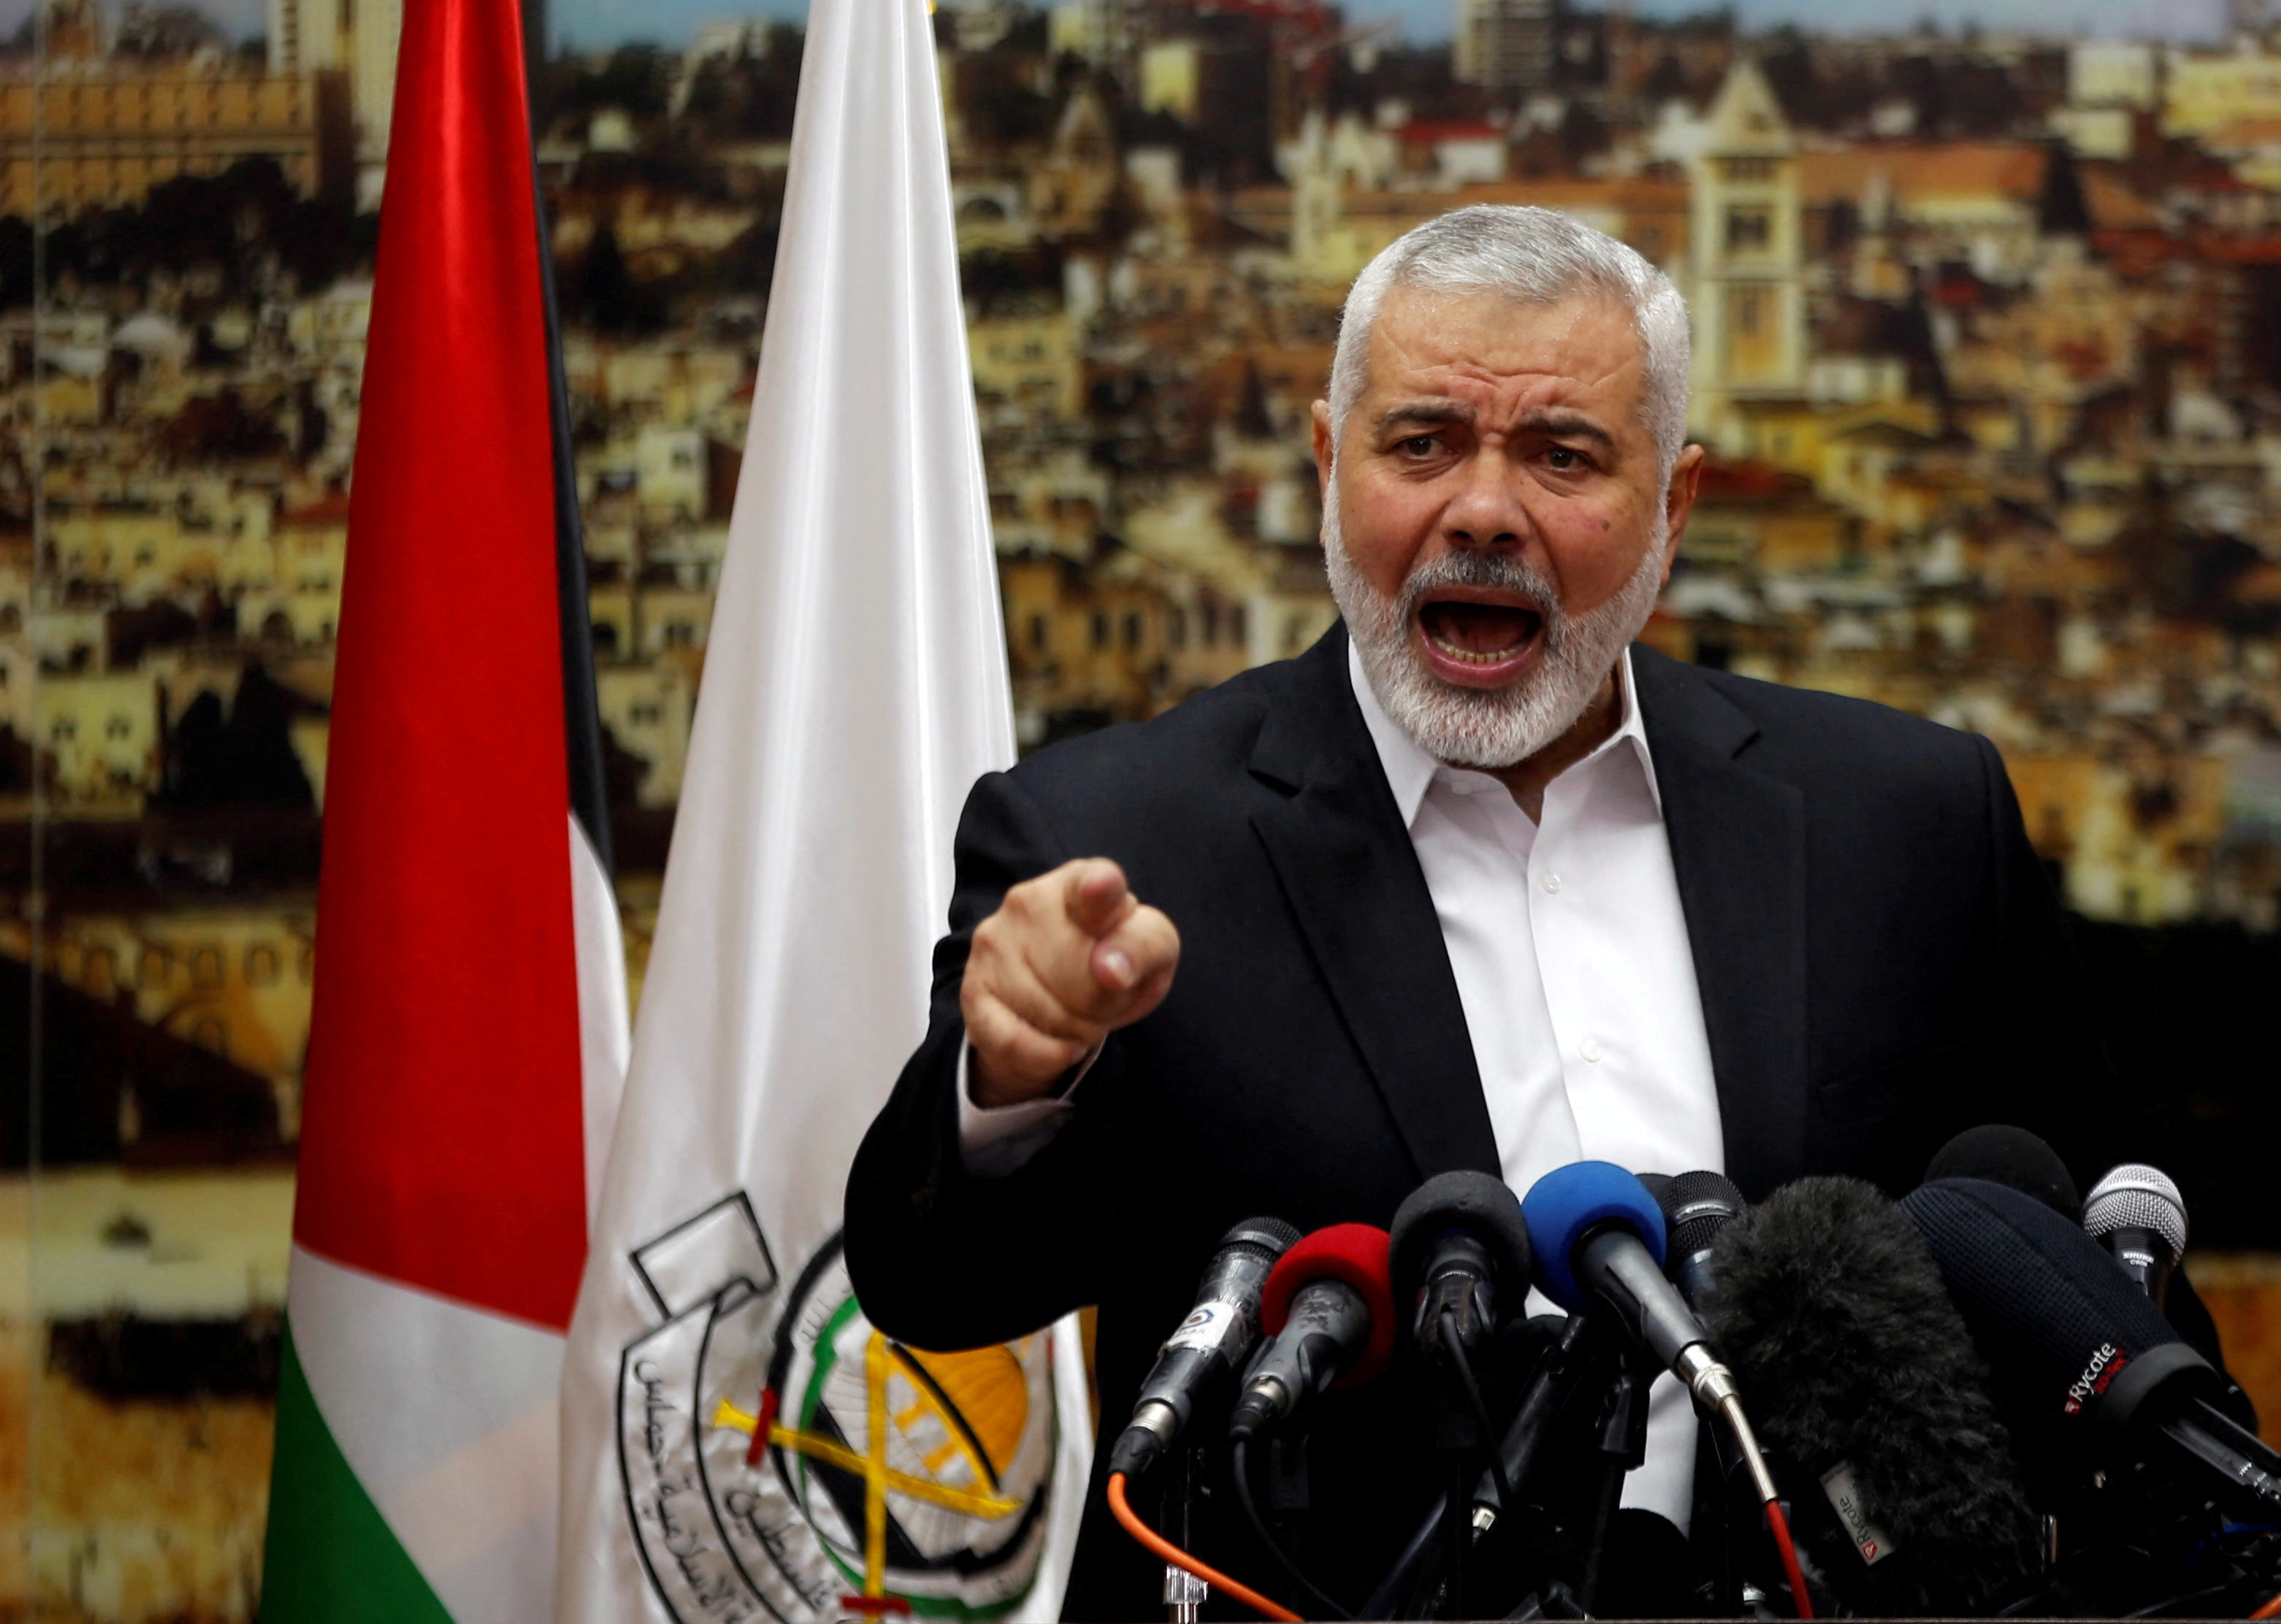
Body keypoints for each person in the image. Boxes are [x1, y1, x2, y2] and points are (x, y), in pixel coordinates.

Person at [846, 204, 2123, 1617]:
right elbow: (932, 1286)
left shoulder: (1909, 816)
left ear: (1674, 506)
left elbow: (2084, 1294)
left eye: (1562, 454)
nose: (1482, 509)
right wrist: (1014, 1076)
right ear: (1332, 465)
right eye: (1420, 443)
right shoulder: (1118, 839)